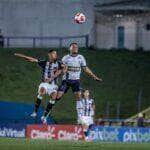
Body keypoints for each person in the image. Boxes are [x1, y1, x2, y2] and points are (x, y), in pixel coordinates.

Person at [41, 42, 102, 123]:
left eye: (76, 47)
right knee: (57, 97)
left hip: (76, 81)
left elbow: (85, 68)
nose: (75, 48)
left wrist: (94, 76)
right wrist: (52, 78)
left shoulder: (81, 58)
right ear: (70, 48)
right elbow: (60, 69)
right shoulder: (66, 58)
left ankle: (80, 117)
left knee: (79, 96)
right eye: (73, 47)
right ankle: (45, 114)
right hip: (66, 81)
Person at [14, 50, 65, 120]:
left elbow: (63, 69)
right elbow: (33, 59)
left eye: (56, 54)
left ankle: (44, 116)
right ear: (49, 55)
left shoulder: (59, 63)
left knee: (53, 97)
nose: (55, 55)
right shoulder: (44, 62)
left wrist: (63, 70)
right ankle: (35, 112)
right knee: (42, 91)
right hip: (45, 83)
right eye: (54, 53)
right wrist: (23, 56)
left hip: (54, 85)